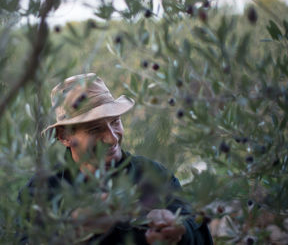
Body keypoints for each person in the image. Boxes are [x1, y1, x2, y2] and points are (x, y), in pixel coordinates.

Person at [18, 73, 213, 244]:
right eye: (95, 129)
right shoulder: (39, 192)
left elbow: (197, 232)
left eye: (115, 122)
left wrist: (180, 232)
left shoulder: (154, 176)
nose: (112, 137)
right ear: (64, 137)